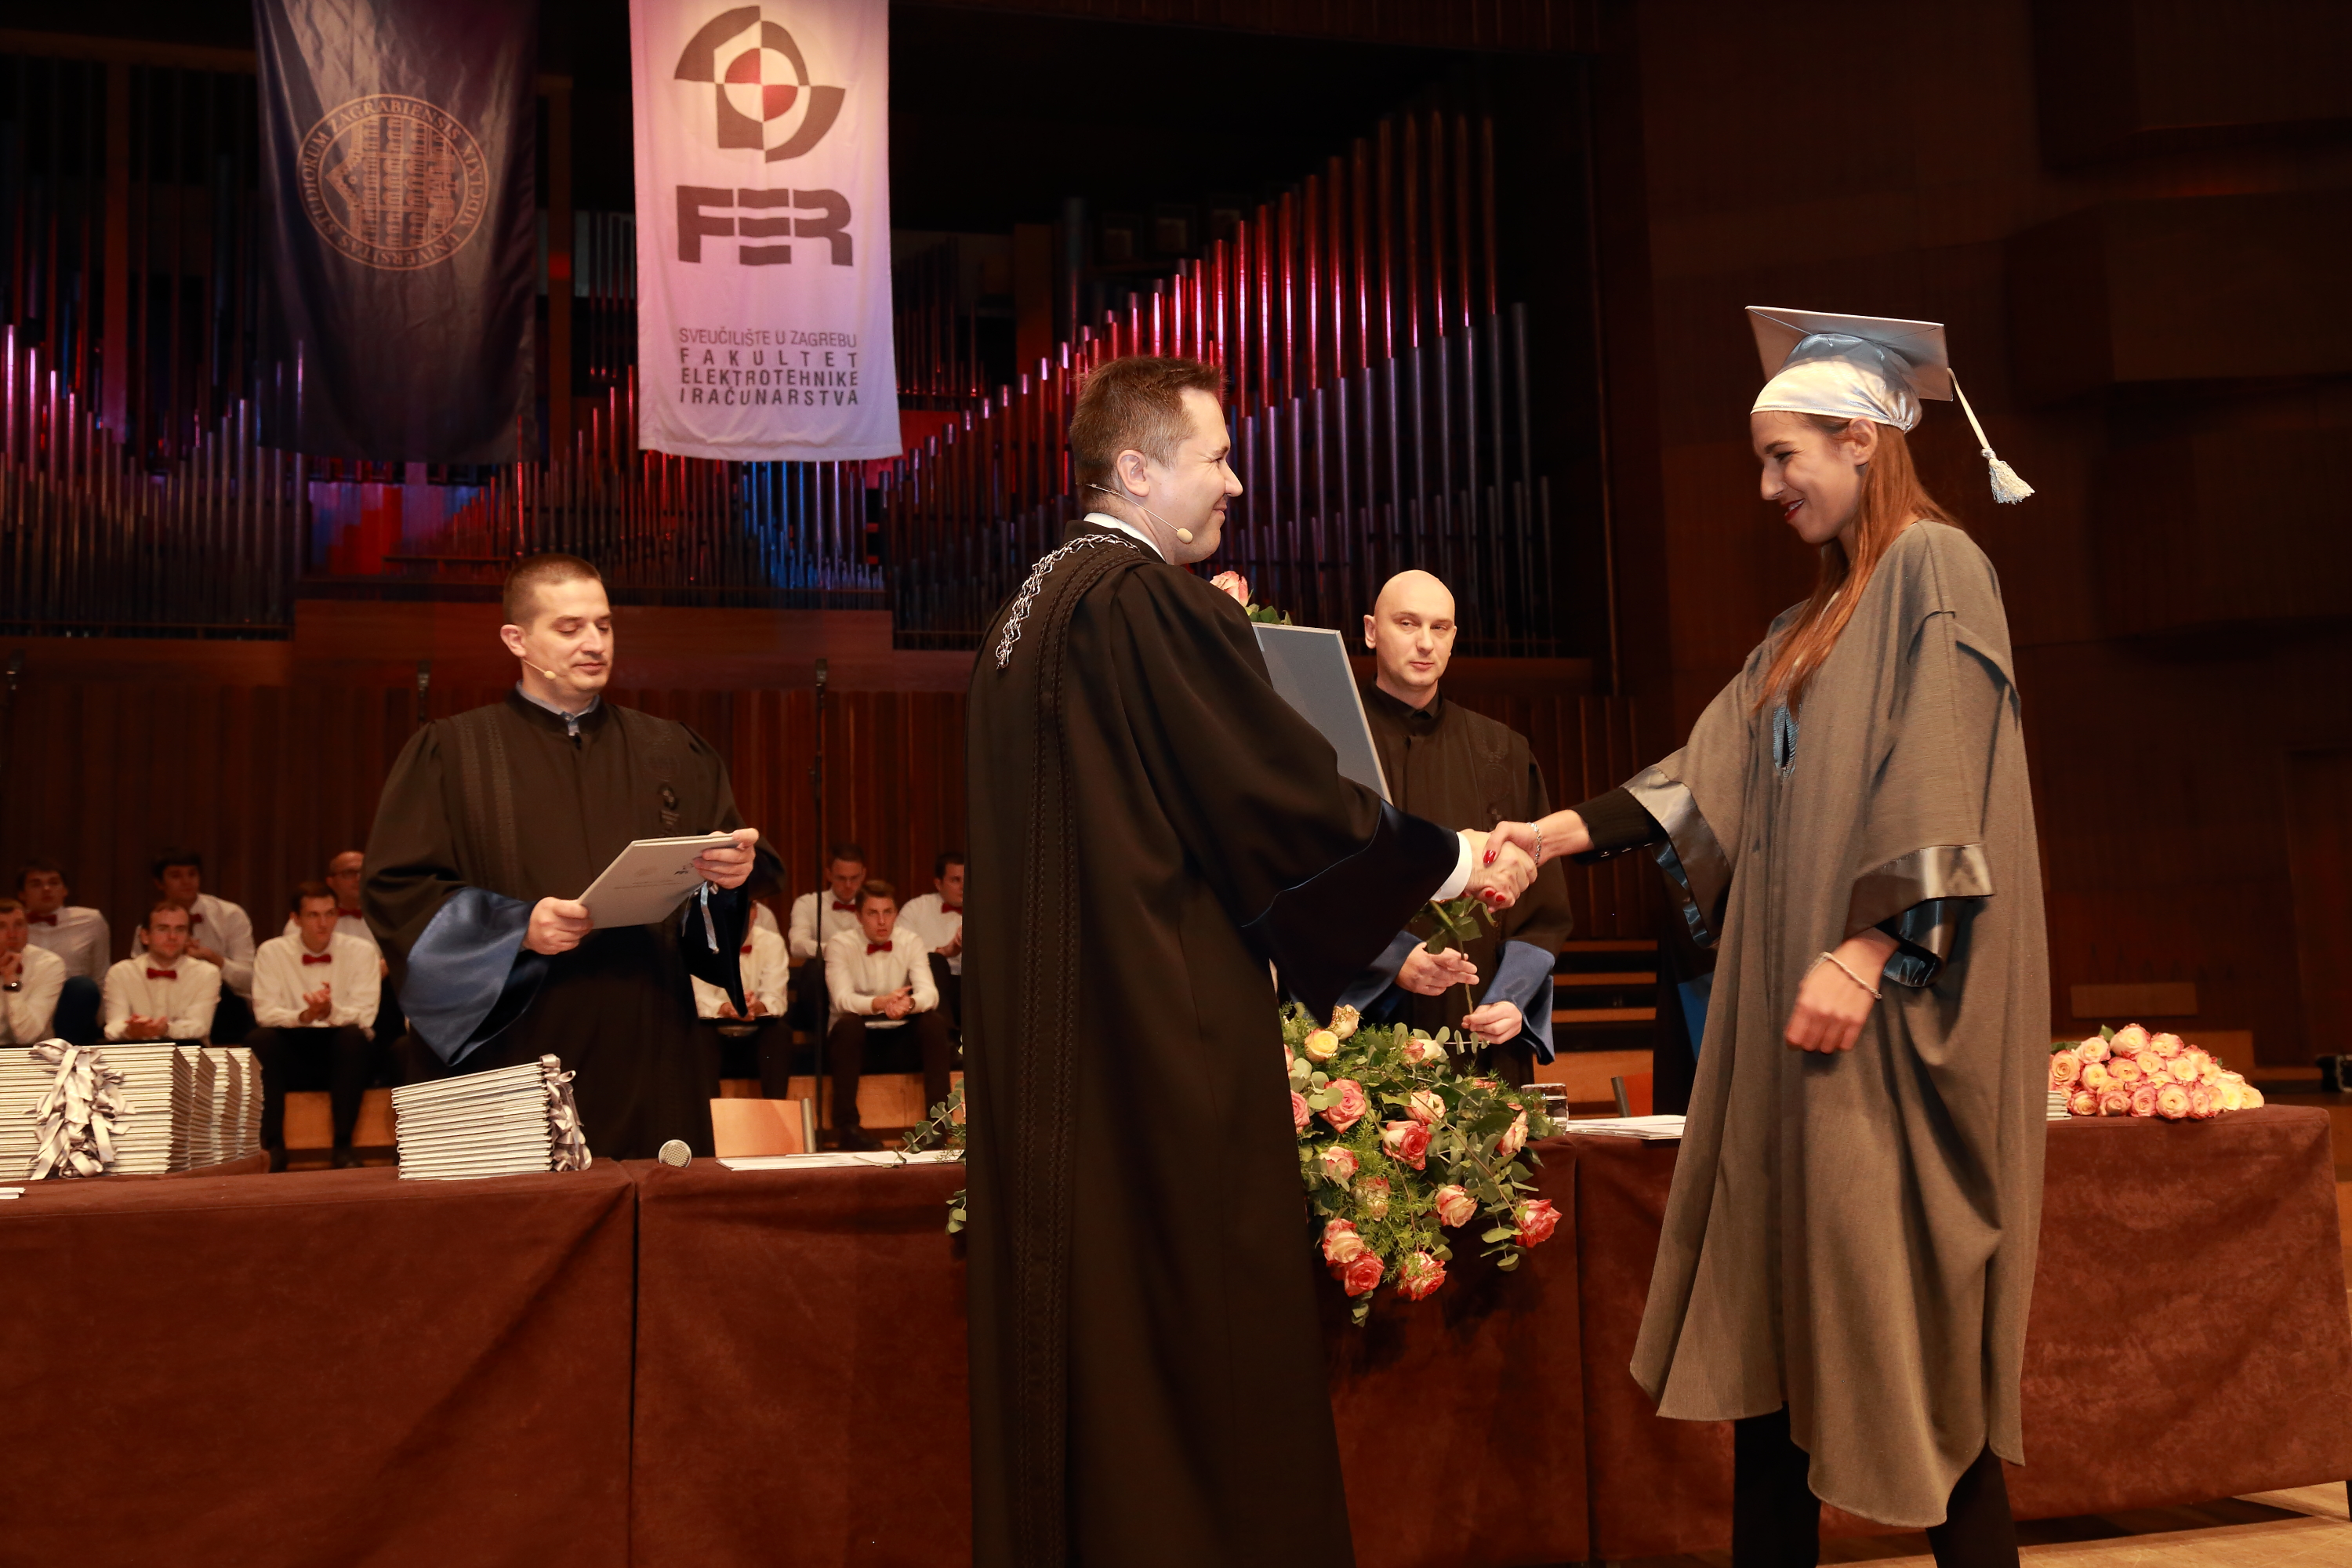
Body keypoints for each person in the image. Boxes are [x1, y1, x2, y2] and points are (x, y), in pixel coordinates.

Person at [1486, 309, 2045, 1568]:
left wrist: (1869, 950)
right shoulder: (1812, 622)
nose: (1767, 486)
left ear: (1861, 439)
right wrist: (1551, 836)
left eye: (1784, 456)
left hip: (1888, 1028)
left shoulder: (1937, 569)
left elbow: (1946, 772)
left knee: (1910, 1338)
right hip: (1798, 1041)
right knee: (1779, 1347)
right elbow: (1709, 775)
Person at [962, 354, 1534, 1568]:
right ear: (1136, 469)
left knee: (1085, 1334)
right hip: (1159, 1049)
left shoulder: (1022, 617)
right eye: (1217, 457)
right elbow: (1273, 799)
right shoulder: (1143, 603)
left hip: (1058, 1060)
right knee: (1195, 1333)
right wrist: (1446, 857)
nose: (1234, 482)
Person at [361, 552, 760, 1160]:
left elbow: (711, 908)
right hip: (511, 1044)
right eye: (570, 628)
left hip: (645, 1035)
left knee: (653, 1207)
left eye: (603, 625)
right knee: (522, 1211)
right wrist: (516, 927)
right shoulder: (453, 752)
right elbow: (398, 890)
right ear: (516, 640)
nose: (594, 643)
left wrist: (726, 879)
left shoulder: (670, 749)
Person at [1337, 568, 1575, 1087]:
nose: (1425, 642)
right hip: (1360, 1026)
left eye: (1439, 628)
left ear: (1453, 638)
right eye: (1407, 623)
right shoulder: (1329, 741)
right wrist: (1390, 959)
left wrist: (1511, 998)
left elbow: (1541, 903)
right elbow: (1303, 882)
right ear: (1372, 631)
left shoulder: (1502, 750)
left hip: (1479, 1028)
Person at [249, 881, 385, 1168]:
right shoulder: (271, 952)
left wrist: (330, 1011)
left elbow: (366, 1015)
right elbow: (265, 1013)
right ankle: (274, 1147)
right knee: (260, 1039)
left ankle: (344, 1146)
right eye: (313, 915)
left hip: (343, 1052)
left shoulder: (362, 951)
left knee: (353, 1037)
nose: (323, 923)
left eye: (329, 913)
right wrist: (306, 1016)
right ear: (295, 919)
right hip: (293, 1049)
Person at [820, 880, 953, 1150]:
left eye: (888, 912)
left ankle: (938, 1127)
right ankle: (847, 1129)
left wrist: (909, 1003)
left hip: (900, 1037)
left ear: (896, 913)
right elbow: (843, 999)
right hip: (858, 1043)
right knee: (848, 1025)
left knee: (933, 1023)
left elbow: (930, 993)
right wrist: (880, 1003)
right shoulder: (840, 944)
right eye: (873, 913)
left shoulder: (910, 941)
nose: (882, 921)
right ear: (858, 916)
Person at [133, 850, 256, 1042]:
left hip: (225, 1006)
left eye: (192, 874)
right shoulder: (149, 924)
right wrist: (172, 955)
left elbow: (250, 981)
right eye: (176, 876)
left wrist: (212, 958)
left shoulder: (230, 915)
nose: (186, 882)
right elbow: (137, 974)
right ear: (159, 883)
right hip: (160, 1003)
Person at [103, 901, 223, 1042]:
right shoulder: (121, 972)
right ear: (145, 936)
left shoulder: (207, 973)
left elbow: (199, 1026)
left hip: (188, 1052)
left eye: (180, 930)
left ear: (188, 937)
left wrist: (166, 1029)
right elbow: (113, 1027)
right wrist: (130, 1030)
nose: (172, 937)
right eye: (163, 929)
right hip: (135, 1052)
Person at [16, 860, 107, 1042]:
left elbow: (100, 973)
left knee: (83, 987)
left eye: (54, 883)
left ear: (65, 890)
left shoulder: (91, 920)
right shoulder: (12, 925)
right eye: (36, 884)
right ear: (22, 894)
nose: (46, 889)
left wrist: (104, 1025)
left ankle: (64, 1051)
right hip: (26, 999)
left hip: (71, 1005)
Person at [785, 841, 869, 1029]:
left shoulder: (873, 907)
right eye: (841, 878)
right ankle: (823, 1041)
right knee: (815, 968)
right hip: (821, 988)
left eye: (854, 878)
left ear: (864, 874)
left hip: (863, 980)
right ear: (828, 874)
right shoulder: (808, 904)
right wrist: (836, 950)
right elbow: (797, 945)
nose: (848, 885)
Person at [895, 851, 965, 1032]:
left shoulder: (986, 910)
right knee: (934, 962)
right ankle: (946, 1036)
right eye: (956, 880)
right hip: (931, 986)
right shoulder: (916, 909)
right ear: (938, 883)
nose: (963, 887)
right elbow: (900, 953)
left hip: (970, 985)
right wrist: (944, 951)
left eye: (967, 880)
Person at [0, 898, 67, 1047]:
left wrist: (11, 982)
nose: (12, 934)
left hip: (33, 1053)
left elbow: (28, 1036)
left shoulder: (48, 964)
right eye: (1, 927)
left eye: (19, 925)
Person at [694, 919, 788, 1022]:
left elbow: (775, 997)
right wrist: (726, 1008)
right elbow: (699, 998)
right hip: (711, 1024)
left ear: (755, 913)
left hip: (760, 1022)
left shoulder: (772, 942)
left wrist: (756, 1006)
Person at [282, 851, 379, 951]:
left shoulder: (383, 919)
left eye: (364, 872)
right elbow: (292, 956)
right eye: (350, 873)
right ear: (331, 881)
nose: (359, 878)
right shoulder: (303, 921)